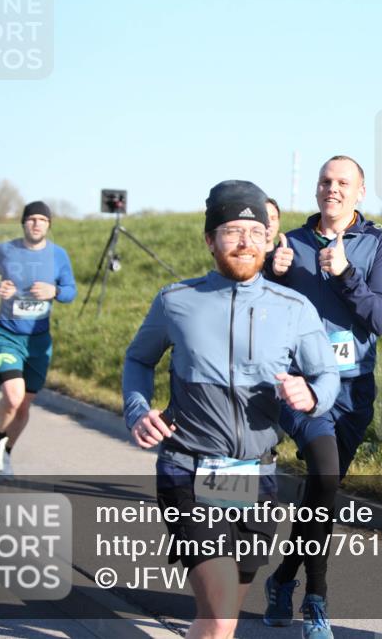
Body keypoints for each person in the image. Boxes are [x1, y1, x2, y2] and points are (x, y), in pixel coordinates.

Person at [122, 180, 340, 639]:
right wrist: (137, 409)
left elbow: (327, 376)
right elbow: (139, 359)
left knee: (222, 620)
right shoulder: (176, 300)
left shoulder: (294, 307)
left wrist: (312, 396)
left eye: (256, 232)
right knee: (219, 617)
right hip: (189, 471)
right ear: (209, 239)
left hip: (255, 477)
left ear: (268, 239)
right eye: (232, 230)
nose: (245, 242)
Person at [264, 156, 382, 639]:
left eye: (344, 183)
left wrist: (345, 274)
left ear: (360, 193)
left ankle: (281, 579)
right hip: (300, 390)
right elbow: (257, 309)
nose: (333, 189)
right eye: (326, 181)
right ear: (316, 189)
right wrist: (271, 273)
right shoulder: (291, 244)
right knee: (322, 479)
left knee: (322, 492)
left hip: (353, 389)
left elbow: (380, 319)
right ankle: (315, 599)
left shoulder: (377, 244)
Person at [0, 201, 76, 476]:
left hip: (38, 341)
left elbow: (70, 292)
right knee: (13, 396)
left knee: (23, 406)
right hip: (7, 335)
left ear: (48, 225)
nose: (36, 223)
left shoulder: (58, 256)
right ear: (23, 223)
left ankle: (6, 454)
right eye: (31, 219)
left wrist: (54, 291)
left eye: (42, 220)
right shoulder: (6, 250)